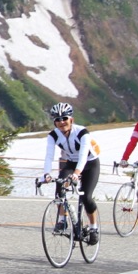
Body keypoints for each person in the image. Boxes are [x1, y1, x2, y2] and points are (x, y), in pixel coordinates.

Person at [42, 102, 100, 245]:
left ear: (71, 119)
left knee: (86, 197)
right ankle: (62, 220)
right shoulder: (53, 135)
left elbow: (83, 155)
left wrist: (77, 173)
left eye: (64, 118)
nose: (62, 122)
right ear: (54, 122)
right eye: (57, 119)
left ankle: (93, 228)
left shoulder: (82, 132)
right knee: (59, 189)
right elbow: (49, 156)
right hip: (71, 163)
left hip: (89, 163)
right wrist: (46, 174)